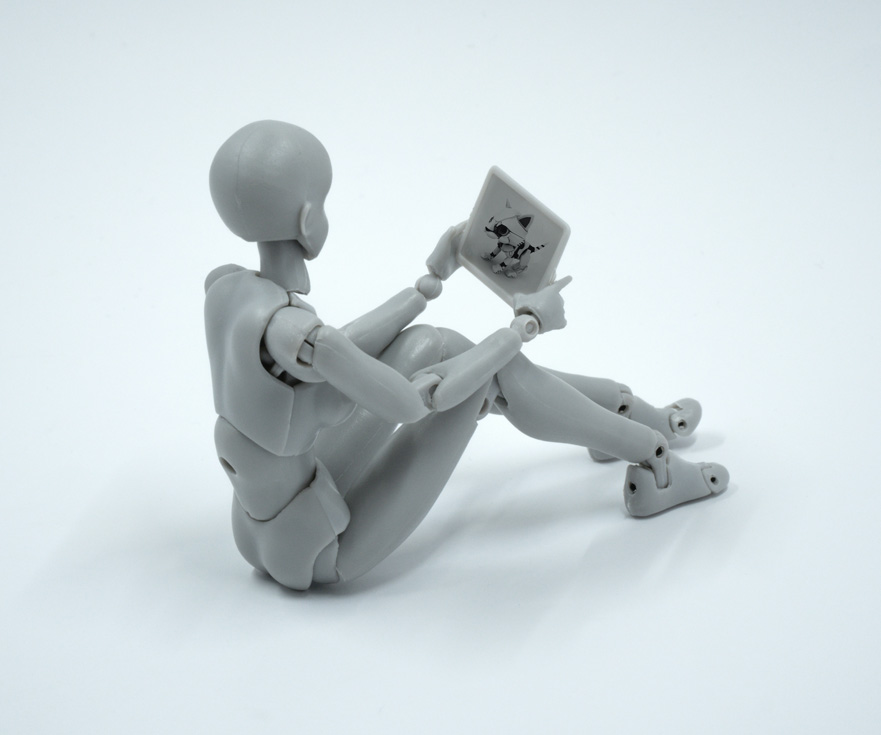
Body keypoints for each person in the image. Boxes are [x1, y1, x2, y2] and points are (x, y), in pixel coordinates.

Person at [204, 120, 728, 590]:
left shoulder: (226, 290)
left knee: (436, 344)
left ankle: (623, 413)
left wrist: (431, 281)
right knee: (486, 376)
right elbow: (417, 402)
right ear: (308, 221)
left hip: (257, 525)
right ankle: (655, 459)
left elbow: (336, 349)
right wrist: (525, 326)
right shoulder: (311, 340)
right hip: (322, 549)